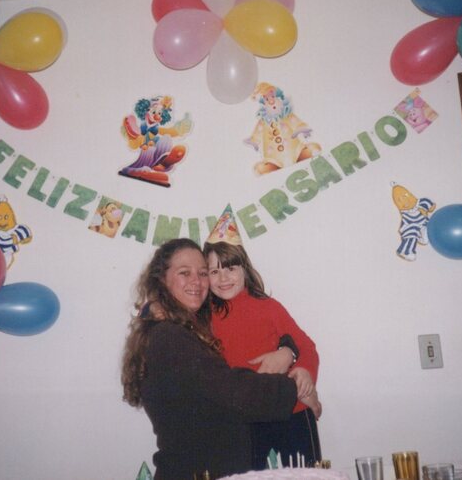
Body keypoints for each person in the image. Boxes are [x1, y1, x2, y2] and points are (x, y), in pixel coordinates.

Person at [121, 238, 321, 479]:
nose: (197, 281)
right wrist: (296, 388)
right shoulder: (173, 334)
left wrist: (289, 353)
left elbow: (303, 343)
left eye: (202, 273)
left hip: (273, 423)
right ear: (161, 279)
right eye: (185, 272)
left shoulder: (191, 323)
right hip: (201, 465)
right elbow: (232, 388)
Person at [203, 205, 322, 469]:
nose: (223, 278)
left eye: (230, 268)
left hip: (291, 413)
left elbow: (305, 346)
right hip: (243, 419)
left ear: (244, 269)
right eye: (214, 271)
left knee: (305, 474)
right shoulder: (205, 316)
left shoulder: (268, 307)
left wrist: (304, 373)